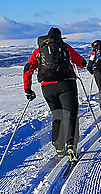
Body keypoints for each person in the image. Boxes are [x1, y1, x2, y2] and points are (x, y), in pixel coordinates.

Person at [23, 27, 87, 161]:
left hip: (47, 88)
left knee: (57, 114)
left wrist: (27, 89)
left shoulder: (39, 50)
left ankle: (59, 148)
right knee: (70, 114)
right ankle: (71, 146)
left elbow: (28, 69)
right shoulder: (64, 47)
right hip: (66, 84)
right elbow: (81, 62)